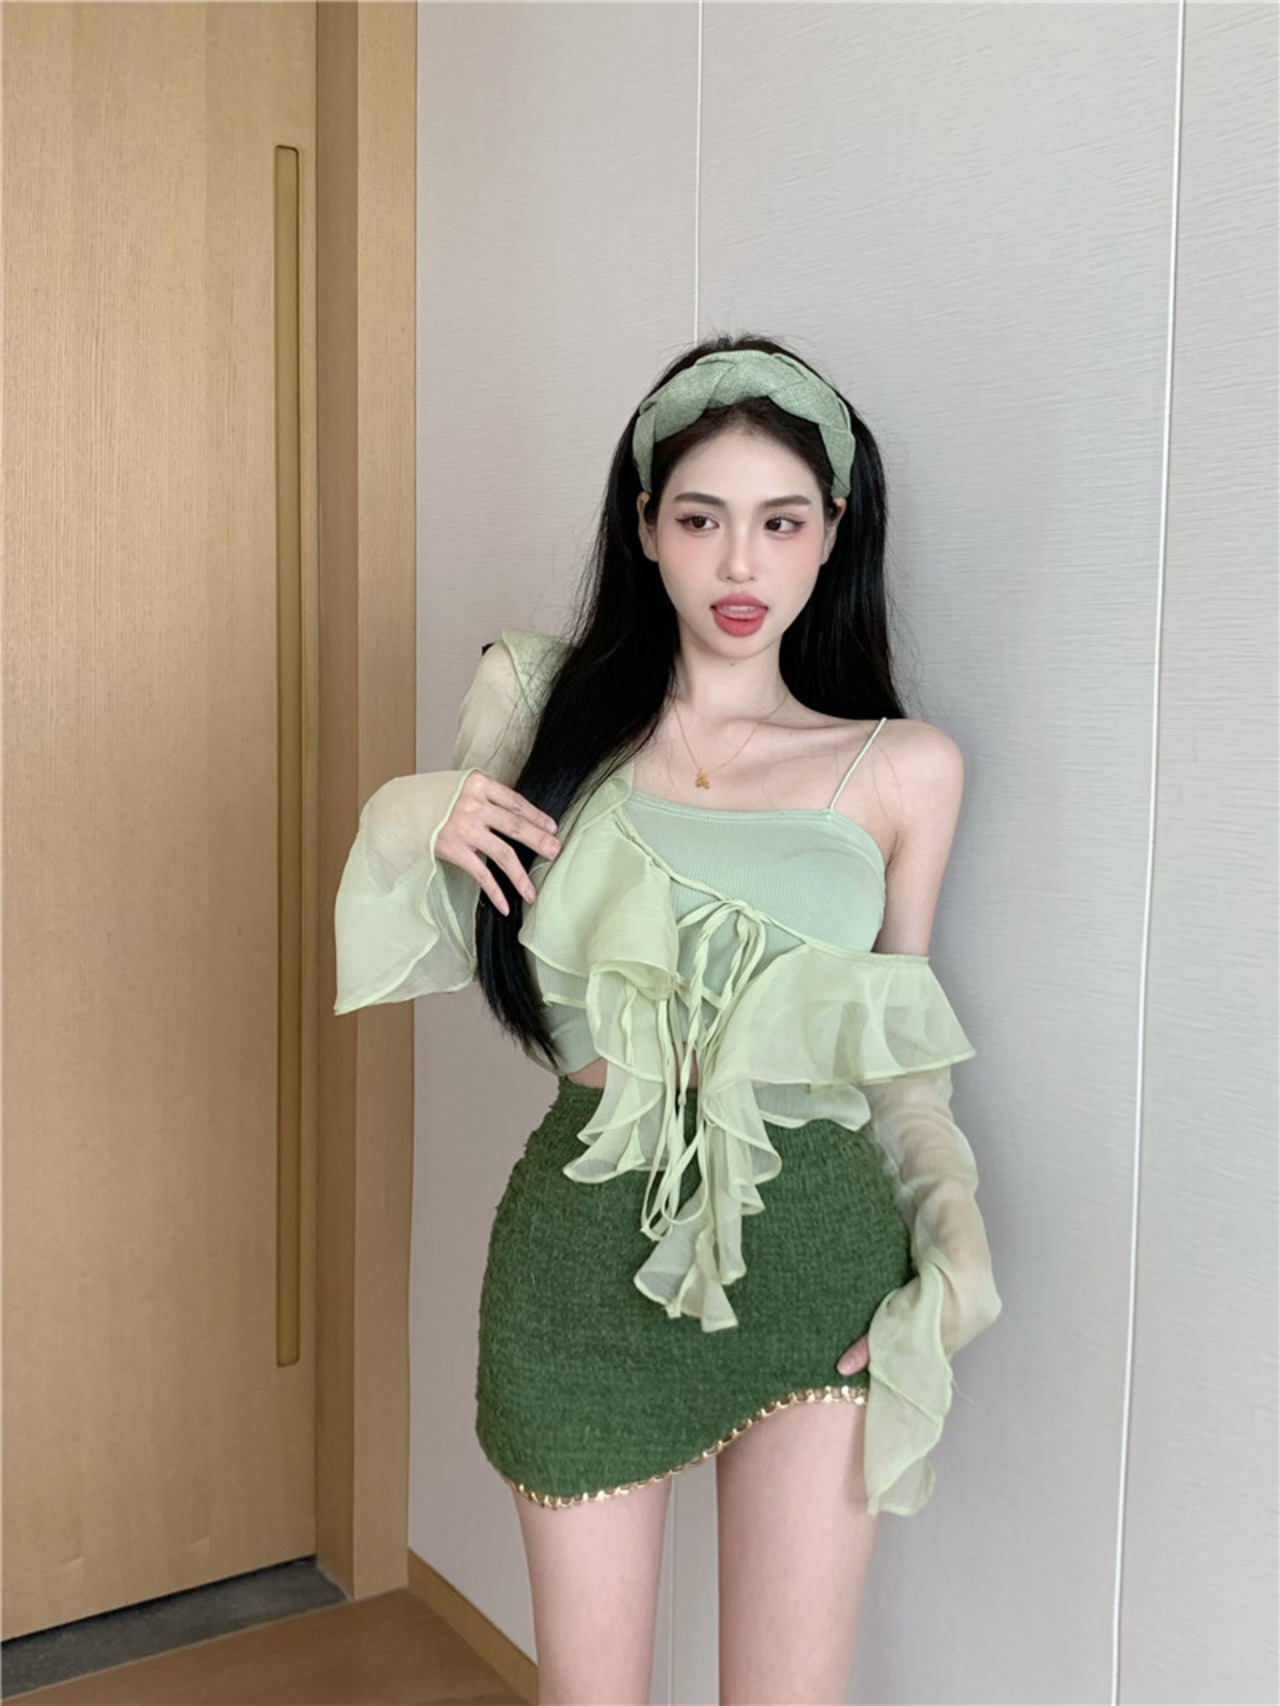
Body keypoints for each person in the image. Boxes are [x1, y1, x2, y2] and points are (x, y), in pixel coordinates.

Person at [333, 334, 1003, 1705]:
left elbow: (900, 1067)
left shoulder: (905, 768)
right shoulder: (535, 702)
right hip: (580, 1259)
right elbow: (443, 927)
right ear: (645, 528)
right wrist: (409, 814)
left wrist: (955, 1236)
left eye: (782, 522)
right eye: (702, 519)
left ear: (834, 533)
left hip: (820, 1262)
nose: (740, 564)